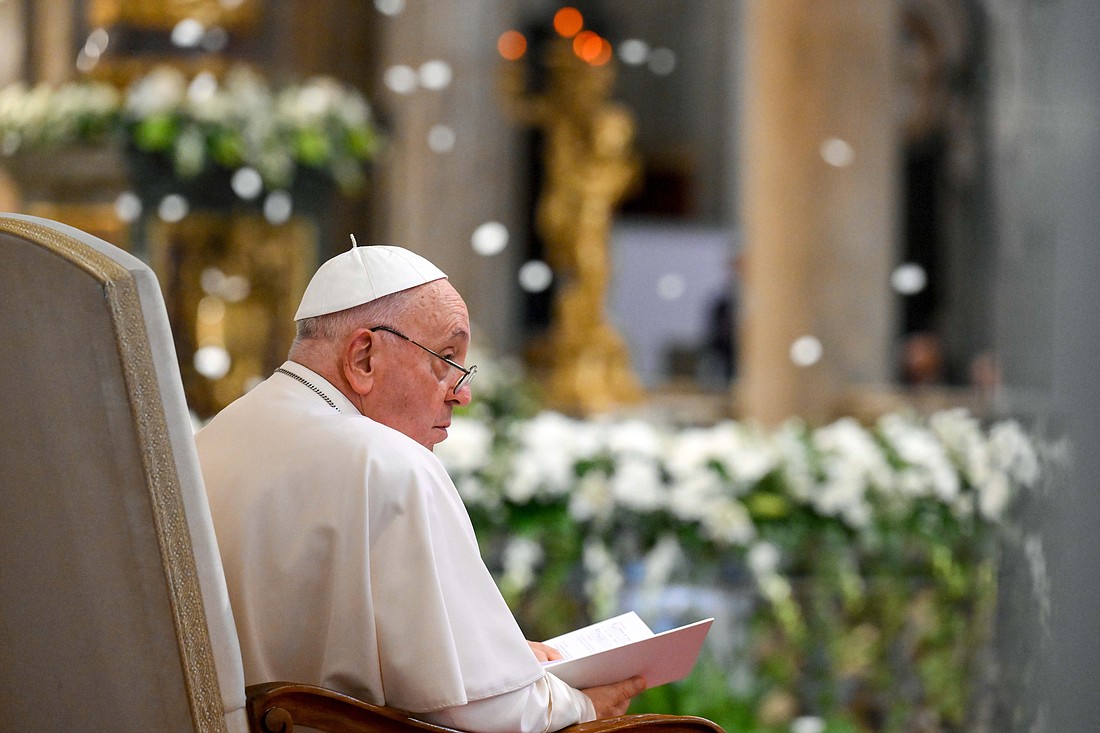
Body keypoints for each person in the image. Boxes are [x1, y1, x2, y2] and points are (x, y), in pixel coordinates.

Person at [195, 241, 645, 733]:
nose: (462, 392)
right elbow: (482, 711)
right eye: (446, 358)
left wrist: (506, 660)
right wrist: (583, 706)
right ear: (363, 357)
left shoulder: (209, 441)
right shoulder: (389, 462)